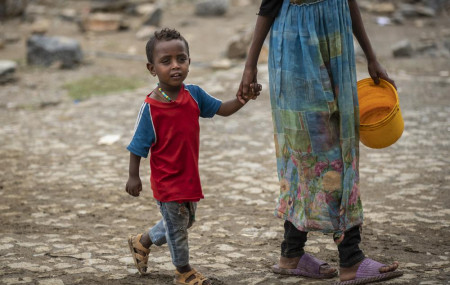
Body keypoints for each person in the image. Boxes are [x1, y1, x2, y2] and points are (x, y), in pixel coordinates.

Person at [237, 0, 402, 284]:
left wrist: (371, 55)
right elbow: (270, 3)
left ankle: (292, 253)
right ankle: (350, 259)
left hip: (336, 33)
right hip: (297, 42)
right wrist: (249, 65)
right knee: (309, 147)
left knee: (340, 141)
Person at [125, 28, 260, 285]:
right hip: (167, 180)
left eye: (181, 59)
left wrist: (244, 98)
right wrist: (134, 176)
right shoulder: (151, 107)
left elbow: (222, 108)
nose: (175, 66)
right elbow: (137, 146)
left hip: (188, 177)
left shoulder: (194, 94)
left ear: (189, 61)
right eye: (166, 62)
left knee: (184, 223)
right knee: (177, 230)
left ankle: (141, 242)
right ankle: (183, 271)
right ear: (152, 68)